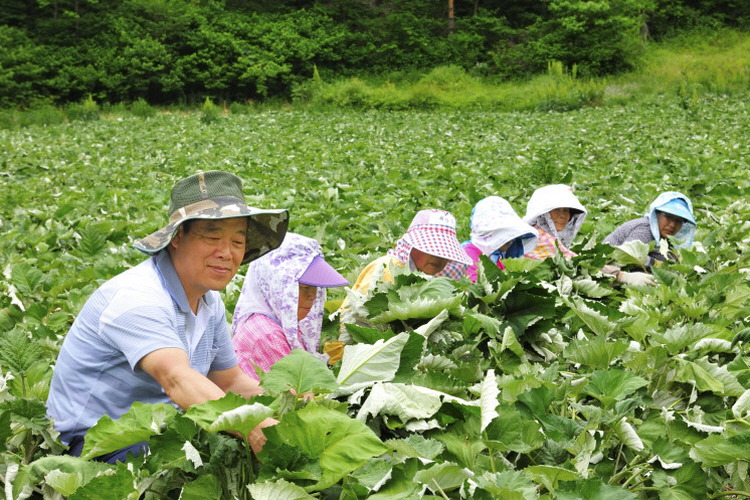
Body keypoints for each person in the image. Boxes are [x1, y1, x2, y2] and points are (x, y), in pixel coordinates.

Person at [46, 171, 289, 463]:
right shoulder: (138, 298)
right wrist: (253, 428)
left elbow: (230, 381)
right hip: (94, 447)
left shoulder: (208, 301)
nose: (226, 252)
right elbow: (177, 380)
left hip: (158, 428)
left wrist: (288, 411)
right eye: (212, 237)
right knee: (208, 463)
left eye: (238, 242)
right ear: (177, 237)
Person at [335, 209, 472, 342]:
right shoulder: (387, 270)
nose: (439, 258)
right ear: (412, 246)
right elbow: (362, 326)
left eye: (445, 253)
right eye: (432, 250)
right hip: (348, 353)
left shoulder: (426, 279)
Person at [232, 233, 349, 379]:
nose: (312, 296)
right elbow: (295, 393)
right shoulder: (269, 336)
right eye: (304, 287)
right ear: (276, 286)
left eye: (315, 288)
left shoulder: (275, 322)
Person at [603, 191, 696, 286]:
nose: (672, 225)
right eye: (668, 217)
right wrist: (656, 264)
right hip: (606, 275)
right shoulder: (644, 229)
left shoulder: (666, 238)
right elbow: (630, 257)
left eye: (678, 221)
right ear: (656, 214)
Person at [462, 196, 538, 282]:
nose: (511, 242)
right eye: (506, 240)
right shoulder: (468, 256)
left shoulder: (495, 256)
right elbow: (473, 287)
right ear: (492, 235)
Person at [523, 184, 587, 260]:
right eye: (557, 210)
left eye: (566, 210)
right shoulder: (543, 239)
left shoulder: (531, 232)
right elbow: (579, 261)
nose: (562, 215)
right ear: (544, 214)